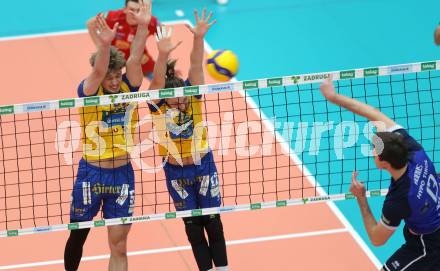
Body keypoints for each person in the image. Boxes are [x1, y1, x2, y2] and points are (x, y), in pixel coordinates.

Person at [64, 2, 151, 270]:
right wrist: (104, 45)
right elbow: (99, 71)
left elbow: (135, 60)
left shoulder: (128, 87)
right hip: (92, 174)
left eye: (117, 76)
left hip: (122, 174)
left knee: (120, 245)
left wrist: (144, 26)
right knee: (78, 235)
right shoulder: (89, 91)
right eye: (110, 77)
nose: (114, 81)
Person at [320, 76, 440, 271]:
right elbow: (373, 114)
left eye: (374, 151)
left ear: (383, 163)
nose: (372, 151)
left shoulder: (400, 199)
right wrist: (333, 97)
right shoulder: (412, 149)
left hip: (428, 245)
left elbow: (377, 238)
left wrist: (361, 198)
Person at [148, 9, 229, 271]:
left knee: (213, 223)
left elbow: (195, 66)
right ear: (165, 97)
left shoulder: (193, 99)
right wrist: (162, 54)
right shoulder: (157, 107)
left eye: (183, 94)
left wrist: (198, 39)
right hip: (176, 172)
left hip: (203, 165)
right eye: (175, 96)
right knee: (193, 229)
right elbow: (157, 80)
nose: (181, 99)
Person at [87, 0, 159, 79]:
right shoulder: (113, 17)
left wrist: (166, 62)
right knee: (104, 78)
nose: (135, 13)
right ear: (125, 9)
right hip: (115, 55)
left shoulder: (149, 21)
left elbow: (164, 36)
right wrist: (100, 47)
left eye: (138, 10)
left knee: (158, 78)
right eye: (132, 9)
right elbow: (90, 23)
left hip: (138, 54)